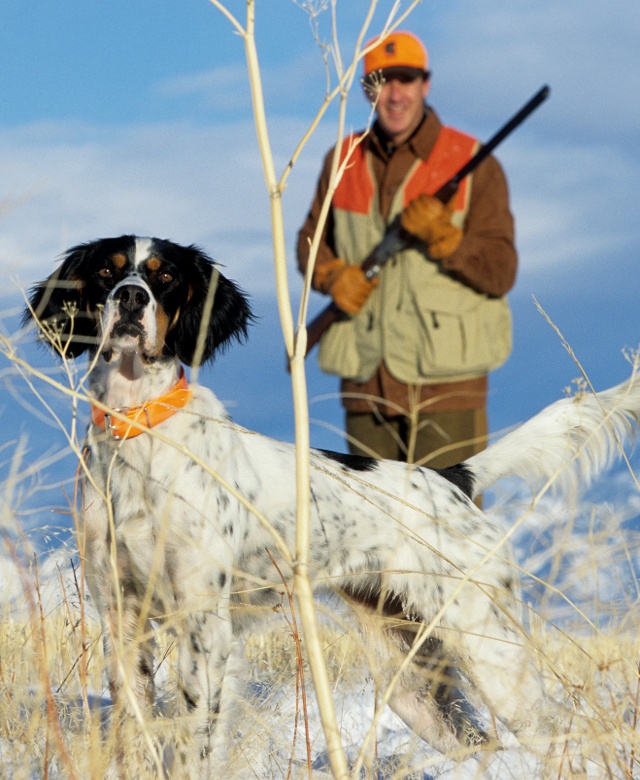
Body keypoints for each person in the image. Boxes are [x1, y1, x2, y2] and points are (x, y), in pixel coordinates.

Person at [297, 30, 517, 467]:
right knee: (369, 528)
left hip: (447, 387)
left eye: (406, 79)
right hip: (366, 385)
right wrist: (333, 277)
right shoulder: (342, 159)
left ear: (425, 84)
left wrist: (446, 239)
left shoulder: (474, 161)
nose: (394, 94)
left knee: (448, 528)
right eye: (381, 81)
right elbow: (311, 245)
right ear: (367, 90)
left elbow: (500, 270)